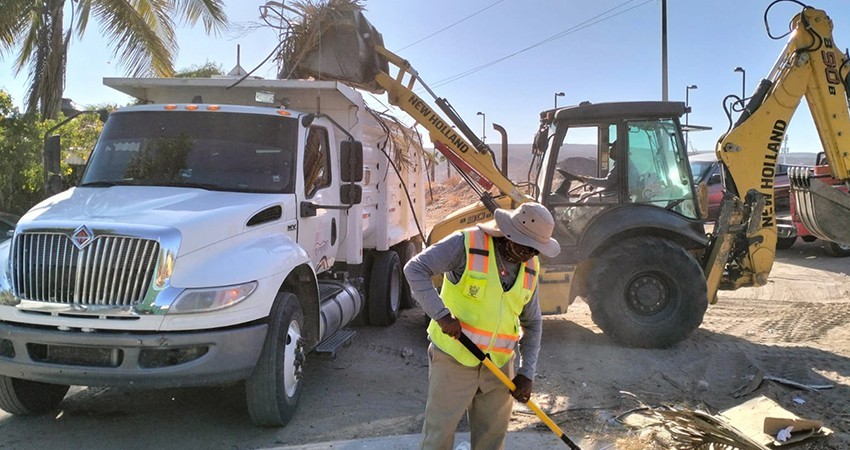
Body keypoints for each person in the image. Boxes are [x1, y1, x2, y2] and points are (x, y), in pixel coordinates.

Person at [403, 202, 561, 450]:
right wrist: (442, 316)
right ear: (509, 234)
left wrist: (526, 372)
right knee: (438, 437)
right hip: (454, 358)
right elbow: (415, 269)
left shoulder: (530, 266)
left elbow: (533, 322)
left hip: (499, 366)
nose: (530, 255)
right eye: (526, 248)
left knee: (492, 439)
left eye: (536, 250)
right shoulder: (465, 244)